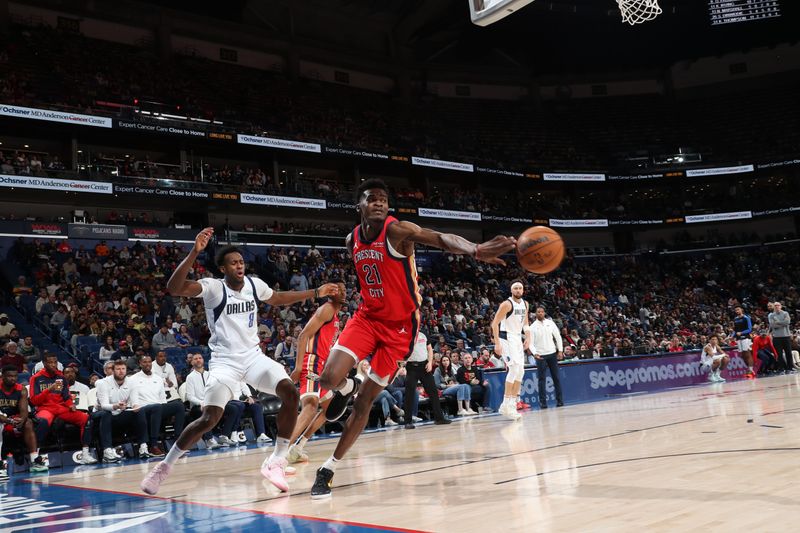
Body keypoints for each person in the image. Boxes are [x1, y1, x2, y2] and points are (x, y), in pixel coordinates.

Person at [311, 178, 514, 499]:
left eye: (383, 199)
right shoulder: (352, 240)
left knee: (365, 401)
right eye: (371, 198)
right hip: (367, 317)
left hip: (400, 329)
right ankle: (345, 386)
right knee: (328, 377)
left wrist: (474, 249)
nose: (379, 203)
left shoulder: (397, 231)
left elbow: (440, 238)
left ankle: (328, 468)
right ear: (359, 206)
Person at [141, 228, 339, 495]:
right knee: (209, 418)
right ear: (223, 267)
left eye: (241, 262)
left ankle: (277, 460)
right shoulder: (214, 288)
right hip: (225, 362)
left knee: (290, 392)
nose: (239, 266)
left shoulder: (255, 285)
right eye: (233, 263)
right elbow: (174, 288)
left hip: (253, 357)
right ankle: (165, 465)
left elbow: (278, 299)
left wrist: (315, 292)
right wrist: (195, 252)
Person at [287, 281, 346, 464]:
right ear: (330, 292)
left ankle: (298, 447)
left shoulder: (336, 316)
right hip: (311, 362)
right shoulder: (327, 309)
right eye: (338, 288)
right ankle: (280, 455)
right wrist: (298, 368)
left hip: (322, 366)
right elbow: (303, 335)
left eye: (344, 288)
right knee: (311, 406)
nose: (342, 291)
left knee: (331, 410)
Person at [29, 353, 96, 464]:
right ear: (44, 363)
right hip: (45, 408)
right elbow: (34, 401)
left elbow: (66, 396)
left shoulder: (61, 377)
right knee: (42, 422)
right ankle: (36, 457)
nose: (53, 365)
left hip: (60, 408)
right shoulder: (36, 378)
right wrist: (48, 389)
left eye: (55, 362)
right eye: (50, 362)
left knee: (86, 419)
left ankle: (85, 454)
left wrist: (70, 404)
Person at [129, 354, 185, 457]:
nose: (147, 364)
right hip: (143, 409)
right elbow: (133, 398)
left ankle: (178, 441)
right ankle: (153, 446)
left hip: (158, 407)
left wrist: (166, 412)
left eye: (149, 362)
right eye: (145, 362)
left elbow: (162, 398)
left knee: (179, 406)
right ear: (140, 364)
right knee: (157, 407)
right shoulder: (133, 379)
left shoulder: (158, 378)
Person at [183, 352, 242, 449]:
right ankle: (209, 439)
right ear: (192, 362)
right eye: (195, 358)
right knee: (205, 412)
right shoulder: (190, 377)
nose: (198, 360)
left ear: (203, 360)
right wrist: (201, 402)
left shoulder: (210, 374)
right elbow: (189, 396)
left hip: (212, 403)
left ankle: (224, 436)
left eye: (200, 358)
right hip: (198, 406)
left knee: (233, 409)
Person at [93, 360, 147, 463]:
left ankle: (143, 446)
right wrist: (116, 406)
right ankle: (107, 451)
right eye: (118, 369)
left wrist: (136, 406)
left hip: (118, 414)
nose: (121, 371)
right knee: (106, 414)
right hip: (99, 415)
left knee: (140, 411)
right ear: (113, 371)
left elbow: (135, 401)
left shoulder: (132, 382)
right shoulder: (102, 383)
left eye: (123, 369)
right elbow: (104, 405)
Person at [491, 280, 529, 420]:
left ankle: (511, 404)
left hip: (517, 338)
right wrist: (497, 343)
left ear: (523, 290)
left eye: (520, 288)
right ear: (511, 291)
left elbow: (525, 323)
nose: (518, 290)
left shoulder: (525, 304)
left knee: (521, 370)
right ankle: (507, 405)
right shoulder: (506, 304)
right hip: (506, 338)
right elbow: (494, 323)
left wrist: (528, 338)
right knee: (513, 369)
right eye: (516, 288)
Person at [0, 365, 47, 477]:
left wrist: (21, 420)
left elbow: (24, 411)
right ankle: (1, 464)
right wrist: (8, 421)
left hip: (12, 419)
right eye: (10, 376)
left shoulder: (21, 389)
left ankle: (35, 460)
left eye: (15, 376)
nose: (13, 378)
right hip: (2, 419)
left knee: (28, 423)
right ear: (2, 376)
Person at [402, 331, 451, 429]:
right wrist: (402, 366)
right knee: (409, 394)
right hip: (411, 367)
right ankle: (407, 421)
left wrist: (429, 362)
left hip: (424, 366)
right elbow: (399, 351)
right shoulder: (404, 335)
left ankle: (439, 418)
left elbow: (429, 349)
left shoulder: (423, 334)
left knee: (433, 392)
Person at [530, 306, 564, 409]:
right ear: (536, 314)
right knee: (541, 380)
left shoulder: (551, 323)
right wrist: (535, 353)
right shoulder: (532, 327)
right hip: (540, 356)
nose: (540, 313)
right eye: (538, 312)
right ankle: (543, 403)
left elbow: (557, 336)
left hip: (552, 353)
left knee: (556, 378)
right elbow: (530, 343)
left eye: (542, 312)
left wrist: (560, 350)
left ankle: (560, 401)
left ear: (544, 313)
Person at [768, 302, 793, 374]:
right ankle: (781, 369)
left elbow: (787, 322)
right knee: (779, 354)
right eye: (775, 305)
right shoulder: (771, 315)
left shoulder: (785, 313)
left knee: (788, 353)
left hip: (786, 336)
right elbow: (772, 325)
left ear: (781, 306)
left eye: (778, 305)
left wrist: (778, 322)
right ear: (774, 307)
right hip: (777, 337)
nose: (776, 306)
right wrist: (782, 323)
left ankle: (790, 368)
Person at [733, 306, 754, 378]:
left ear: (741, 310)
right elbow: (735, 330)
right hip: (739, 339)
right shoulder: (735, 319)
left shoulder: (746, 317)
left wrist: (742, 333)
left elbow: (750, 329)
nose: (737, 311)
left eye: (738, 309)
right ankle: (749, 369)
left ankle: (751, 370)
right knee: (742, 355)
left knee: (747, 353)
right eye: (736, 310)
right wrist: (732, 336)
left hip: (745, 338)